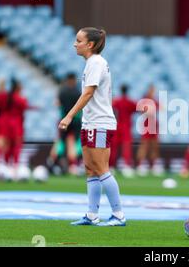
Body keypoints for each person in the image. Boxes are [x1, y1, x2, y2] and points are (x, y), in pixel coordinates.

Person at [59, 27, 126, 226]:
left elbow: (88, 93)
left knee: (101, 168)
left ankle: (119, 214)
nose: (74, 44)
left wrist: (69, 116)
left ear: (90, 44)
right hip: (91, 123)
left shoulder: (96, 62)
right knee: (90, 169)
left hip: (100, 123)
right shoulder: (91, 63)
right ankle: (91, 214)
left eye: (78, 40)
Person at [48, 73, 82, 175]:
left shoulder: (61, 91)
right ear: (73, 80)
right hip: (75, 120)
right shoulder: (77, 92)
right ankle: (73, 165)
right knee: (74, 142)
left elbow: (57, 103)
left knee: (60, 141)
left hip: (63, 119)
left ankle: (51, 163)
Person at [110, 84, 138, 177]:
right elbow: (138, 109)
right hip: (126, 127)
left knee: (114, 148)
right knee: (126, 148)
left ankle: (111, 167)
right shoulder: (130, 102)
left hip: (116, 126)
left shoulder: (115, 102)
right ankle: (126, 167)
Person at [136, 84, 162, 176]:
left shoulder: (154, 100)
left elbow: (160, 108)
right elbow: (142, 110)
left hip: (154, 123)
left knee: (154, 145)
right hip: (147, 123)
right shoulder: (145, 100)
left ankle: (153, 165)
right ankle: (141, 165)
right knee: (145, 144)